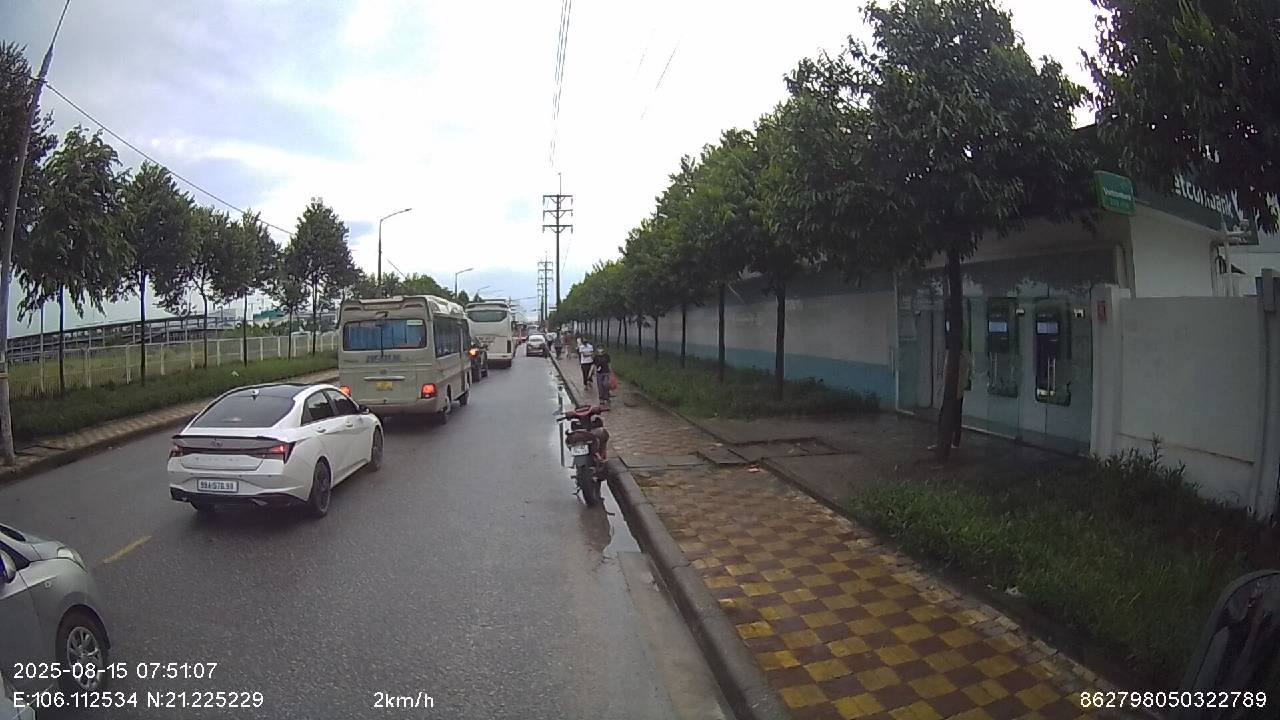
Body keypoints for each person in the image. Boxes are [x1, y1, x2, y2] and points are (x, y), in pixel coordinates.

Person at [929, 348, 970, 450]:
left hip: (953, 393)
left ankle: (948, 441)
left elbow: (956, 376)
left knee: (949, 417)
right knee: (954, 417)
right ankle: (952, 441)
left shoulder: (957, 359)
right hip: (954, 392)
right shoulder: (959, 358)